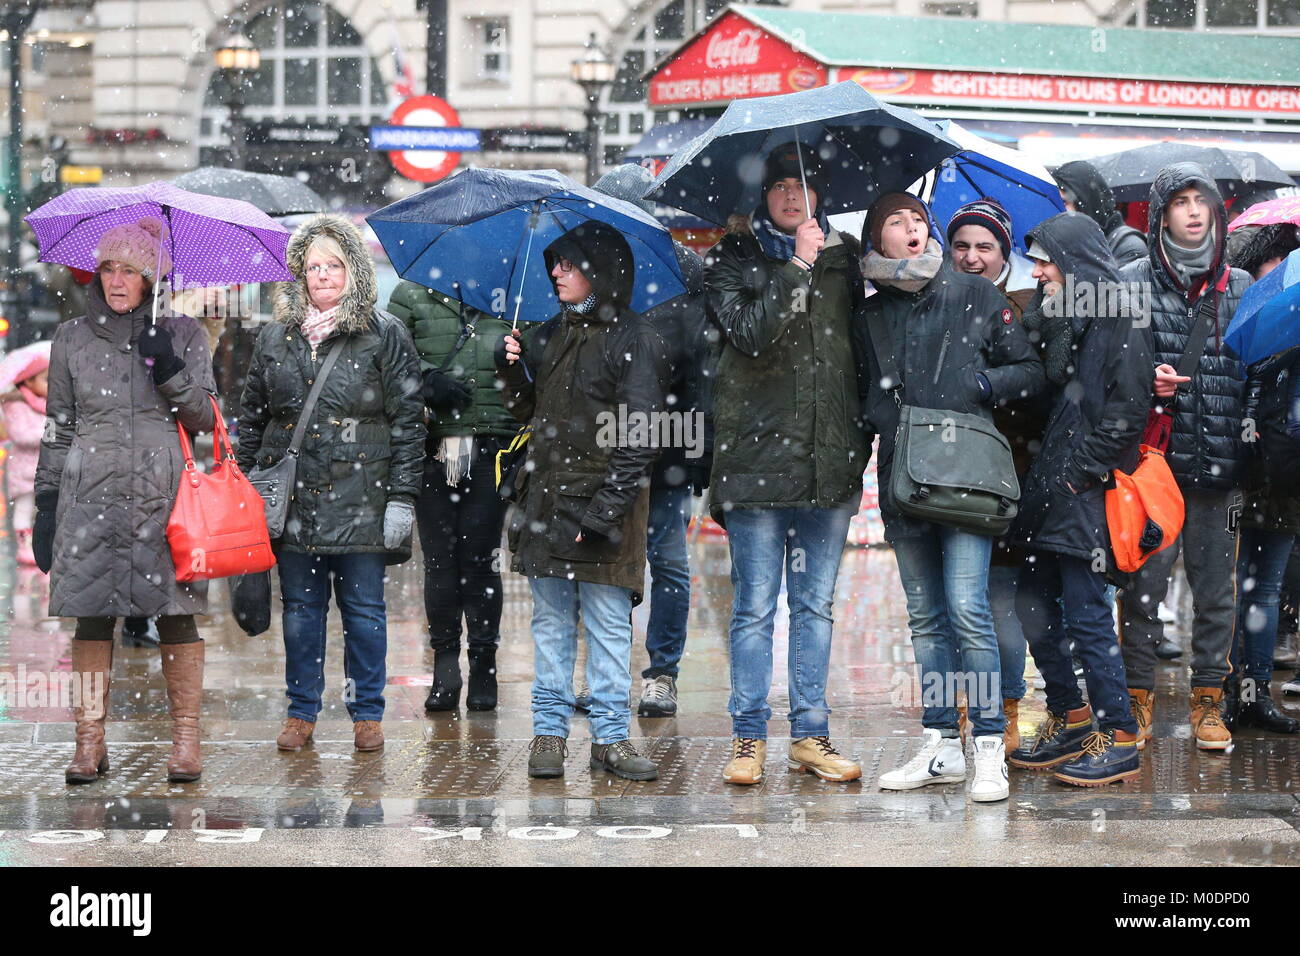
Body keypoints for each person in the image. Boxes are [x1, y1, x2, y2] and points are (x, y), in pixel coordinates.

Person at [858, 193, 1044, 802]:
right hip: (903, 479)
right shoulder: (871, 312)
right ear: (876, 239)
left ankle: (989, 745)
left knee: (968, 609)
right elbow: (863, 396)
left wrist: (982, 383)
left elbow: (1030, 373)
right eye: (895, 222)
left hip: (966, 478)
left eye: (918, 220)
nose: (911, 231)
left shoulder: (973, 294)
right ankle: (942, 745)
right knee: (926, 621)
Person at [704, 142, 869, 786]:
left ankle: (811, 733)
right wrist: (796, 267)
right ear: (763, 197)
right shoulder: (732, 258)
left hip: (828, 461)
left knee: (816, 606)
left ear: (819, 196)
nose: (791, 195)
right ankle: (748, 737)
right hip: (753, 462)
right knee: (754, 608)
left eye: (802, 184)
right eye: (779, 186)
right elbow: (747, 334)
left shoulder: (847, 260)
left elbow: (864, 347)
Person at [34, 216, 217, 784]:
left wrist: (169, 369)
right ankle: (88, 742)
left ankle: (185, 742)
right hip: (89, 495)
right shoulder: (71, 338)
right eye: (108, 268)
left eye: (131, 270)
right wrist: (46, 498)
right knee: (92, 619)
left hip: (164, 496)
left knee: (177, 615)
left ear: (152, 278)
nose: (117, 280)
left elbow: (206, 419)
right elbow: (58, 426)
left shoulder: (183, 333)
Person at [237, 214, 425, 754]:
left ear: (353, 272)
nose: (322, 275)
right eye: (312, 266)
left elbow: (409, 421)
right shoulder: (275, 337)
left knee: (365, 614)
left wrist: (403, 497)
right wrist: (251, 490)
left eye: (333, 265)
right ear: (298, 275)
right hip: (294, 502)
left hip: (363, 499)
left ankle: (368, 713)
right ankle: (301, 712)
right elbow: (252, 417)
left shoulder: (384, 334)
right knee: (300, 613)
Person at [495, 220, 669, 781]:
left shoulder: (634, 337)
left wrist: (603, 512)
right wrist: (511, 370)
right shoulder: (551, 333)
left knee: (608, 624)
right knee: (549, 622)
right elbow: (531, 415)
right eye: (554, 264)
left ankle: (611, 739)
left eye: (567, 264)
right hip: (547, 502)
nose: (555, 273)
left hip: (603, 511)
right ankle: (548, 735)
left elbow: (640, 433)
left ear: (598, 269)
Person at [1006, 211, 1153, 786]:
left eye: (1046, 261)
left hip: (1084, 494)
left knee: (1088, 615)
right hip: (1054, 492)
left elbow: (1128, 411)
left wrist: (1081, 473)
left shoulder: (1121, 315)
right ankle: (1071, 719)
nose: (1038, 271)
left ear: (1074, 263)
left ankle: (1119, 736)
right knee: (1034, 605)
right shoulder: (1075, 314)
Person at [1116, 164, 1252, 751]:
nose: (1193, 211)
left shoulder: (1242, 286)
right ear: (1162, 214)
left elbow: (1257, 374)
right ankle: (1138, 697)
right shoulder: (1130, 283)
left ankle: (1209, 702)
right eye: (1180, 202)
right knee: (1142, 586)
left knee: (1216, 589)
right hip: (1153, 465)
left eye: (1203, 202)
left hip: (1221, 465)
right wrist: (1147, 380)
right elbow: (1106, 371)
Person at [592, 163, 717, 718]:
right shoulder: (586, 275)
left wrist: (696, 452)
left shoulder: (684, 271)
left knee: (664, 559)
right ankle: (609, 673)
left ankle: (661, 673)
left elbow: (702, 372)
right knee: (607, 561)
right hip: (603, 443)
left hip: (664, 443)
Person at [946, 197, 1047, 751]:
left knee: (997, 599)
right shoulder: (932, 301)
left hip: (1008, 476)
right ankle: (964, 703)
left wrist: (987, 385)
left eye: (985, 246)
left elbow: (1038, 391)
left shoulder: (1028, 310)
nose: (972, 256)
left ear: (1005, 253)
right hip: (941, 474)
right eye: (961, 245)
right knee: (956, 601)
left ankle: (1006, 707)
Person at [387, 279, 516, 713]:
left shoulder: (512, 287)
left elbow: (539, 357)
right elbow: (390, 359)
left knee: (480, 560)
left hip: (493, 443)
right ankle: (445, 665)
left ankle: (484, 663)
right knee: (440, 560)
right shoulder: (410, 293)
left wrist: (515, 360)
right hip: (433, 444)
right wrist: (427, 379)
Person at [1222, 227, 1300, 734]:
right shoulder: (1266, 335)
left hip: (1280, 476)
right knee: (1241, 587)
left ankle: (1252, 692)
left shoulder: (1269, 331)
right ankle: (1232, 690)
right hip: (1251, 473)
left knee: (1259, 587)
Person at [0, 341, 51, 566]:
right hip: (24, 470)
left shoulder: (49, 404)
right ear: (28, 381)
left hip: (46, 469)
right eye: (45, 379)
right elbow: (21, 435)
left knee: (47, 511)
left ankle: (43, 546)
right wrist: (51, 432)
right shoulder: (15, 404)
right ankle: (24, 545)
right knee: (24, 509)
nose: (50, 385)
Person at [1053, 160, 1148, 268]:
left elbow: (1100, 284)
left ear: (1086, 201)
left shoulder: (1128, 247)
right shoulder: (1068, 241)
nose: (1059, 209)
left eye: (1064, 202)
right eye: (1055, 202)